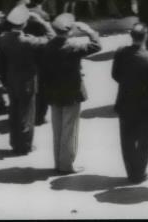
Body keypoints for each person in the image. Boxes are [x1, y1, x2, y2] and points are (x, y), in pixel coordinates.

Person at [39, 12, 101, 174]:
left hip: (53, 92)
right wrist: (89, 31)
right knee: (69, 129)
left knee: (57, 129)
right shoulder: (73, 46)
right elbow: (96, 46)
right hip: (72, 92)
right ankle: (66, 165)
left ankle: (58, 162)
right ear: (69, 31)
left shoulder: (48, 45)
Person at [0, 4, 54, 154]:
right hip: (27, 80)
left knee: (14, 111)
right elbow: (52, 38)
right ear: (24, 23)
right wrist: (42, 22)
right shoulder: (28, 41)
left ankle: (15, 143)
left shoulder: (4, 38)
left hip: (11, 78)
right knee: (27, 114)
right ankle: (25, 145)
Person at [111, 23, 148, 184]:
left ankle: (131, 172)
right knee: (144, 141)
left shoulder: (120, 53)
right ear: (146, 37)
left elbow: (115, 75)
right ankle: (140, 173)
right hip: (146, 107)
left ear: (131, 36)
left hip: (125, 102)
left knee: (127, 140)